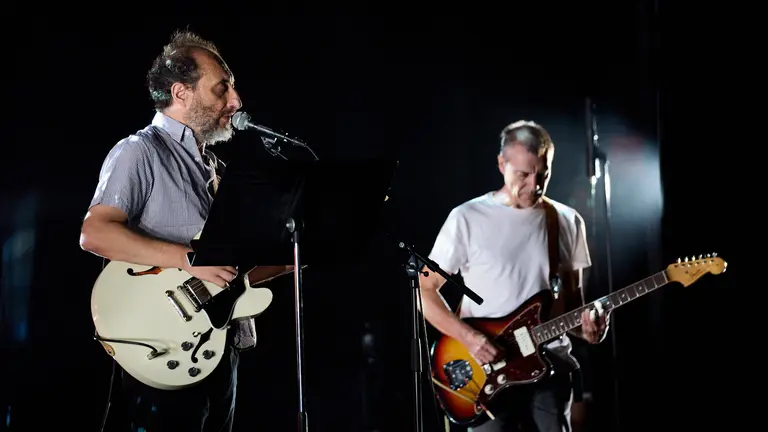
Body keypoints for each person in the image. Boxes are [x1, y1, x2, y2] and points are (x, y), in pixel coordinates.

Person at [79, 30, 292, 432]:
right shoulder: (139, 150)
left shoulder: (216, 169)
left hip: (214, 346)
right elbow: (95, 233)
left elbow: (233, 272)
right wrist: (190, 260)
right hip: (161, 344)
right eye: (222, 88)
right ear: (181, 93)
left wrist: (298, 253)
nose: (236, 101)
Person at [420, 120, 610, 432]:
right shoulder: (467, 218)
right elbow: (424, 290)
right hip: (487, 372)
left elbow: (572, 306)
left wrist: (589, 329)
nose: (535, 185)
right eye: (523, 174)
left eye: (543, 174)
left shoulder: (567, 220)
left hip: (550, 368)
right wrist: (469, 338)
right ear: (501, 164)